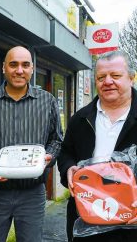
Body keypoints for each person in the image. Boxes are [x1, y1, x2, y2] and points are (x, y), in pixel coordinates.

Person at [0, 46, 63, 242]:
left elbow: (57, 139)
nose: (19, 70)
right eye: (13, 64)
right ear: (4, 68)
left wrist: (48, 158)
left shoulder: (47, 101)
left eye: (25, 65)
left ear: (32, 68)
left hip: (32, 193)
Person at [57, 50, 137, 241]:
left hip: (132, 223)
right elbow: (66, 153)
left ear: (131, 78)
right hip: (87, 218)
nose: (107, 81)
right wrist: (69, 169)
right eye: (101, 77)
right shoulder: (80, 118)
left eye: (116, 75)